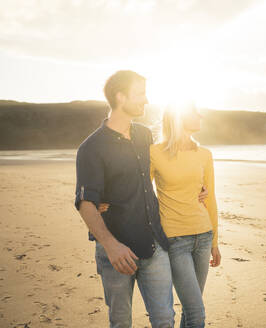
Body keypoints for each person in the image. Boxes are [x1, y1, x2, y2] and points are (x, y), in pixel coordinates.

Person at [75, 70, 208, 327]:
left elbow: (168, 168)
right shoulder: (91, 148)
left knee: (164, 320)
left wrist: (197, 188)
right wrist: (111, 246)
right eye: (140, 94)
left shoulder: (144, 136)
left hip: (153, 245)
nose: (146, 101)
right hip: (116, 253)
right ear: (120, 97)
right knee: (121, 322)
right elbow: (85, 203)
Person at [150, 103, 221, 328]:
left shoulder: (204, 154)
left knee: (191, 310)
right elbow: (140, 191)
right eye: (193, 112)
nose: (200, 115)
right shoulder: (154, 153)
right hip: (175, 239)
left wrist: (215, 242)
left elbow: (210, 198)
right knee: (196, 312)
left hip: (204, 236)